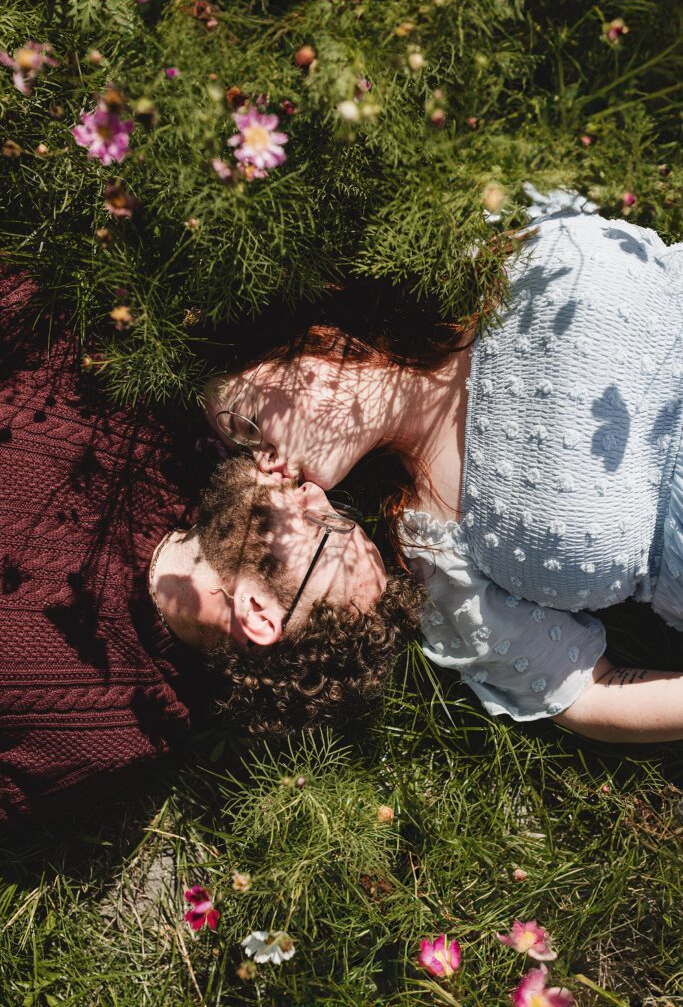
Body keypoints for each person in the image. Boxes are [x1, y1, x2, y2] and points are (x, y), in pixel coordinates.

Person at [205, 188, 683, 744]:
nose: (261, 464)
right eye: (242, 449)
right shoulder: (432, 543)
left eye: (247, 424)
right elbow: (587, 695)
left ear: (312, 344)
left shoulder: (469, 248)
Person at [0, 272, 420, 826]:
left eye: (327, 526)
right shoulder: (153, 435)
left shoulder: (107, 730)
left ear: (258, 614)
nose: (317, 490)